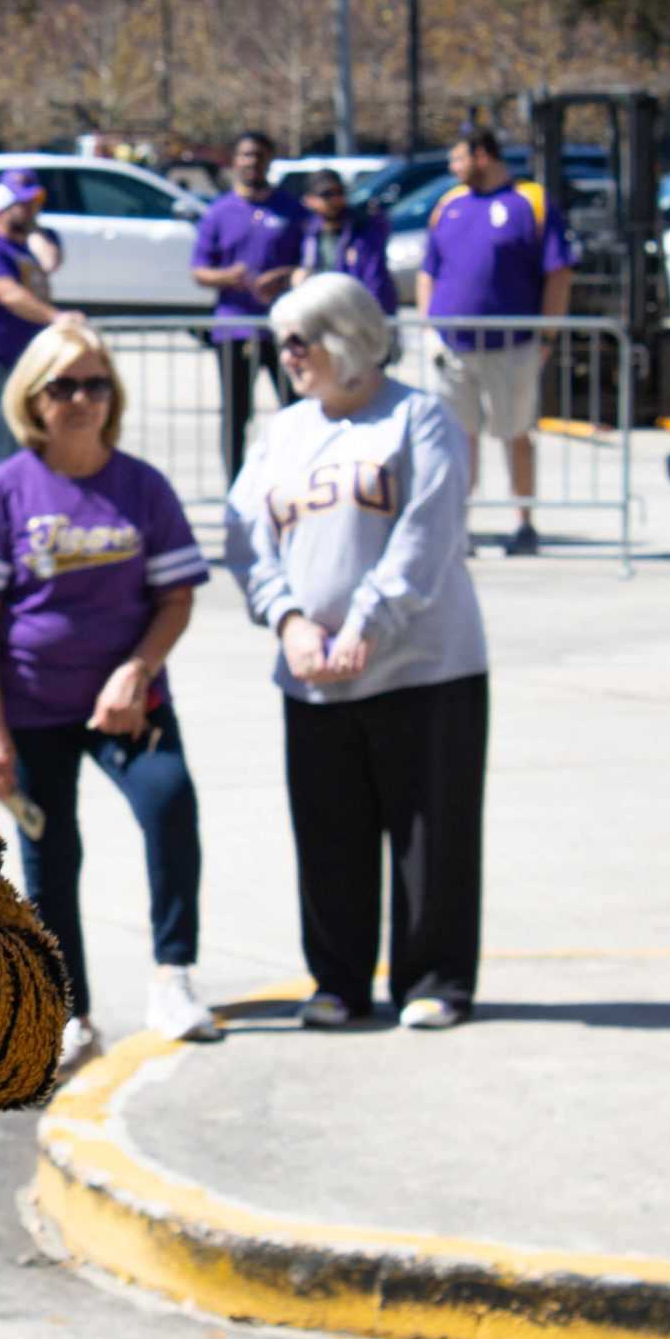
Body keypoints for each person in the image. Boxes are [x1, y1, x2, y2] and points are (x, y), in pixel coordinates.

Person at [224, 273, 487, 1032]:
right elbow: (247, 538)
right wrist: (291, 624)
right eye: (282, 343)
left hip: (423, 666)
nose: (290, 356)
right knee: (328, 830)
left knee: (428, 831)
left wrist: (366, 625)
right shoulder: (282, 432)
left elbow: (426, 537)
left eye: (301, 340)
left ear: (346, 336)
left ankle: (433, 979)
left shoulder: (419, 419)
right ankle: (337, 979)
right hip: (313, 673)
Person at [0, 320, 216, 1067]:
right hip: (32, 708)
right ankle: (72, 1011)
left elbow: (176, 598)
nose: (79, 399)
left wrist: (137, 670)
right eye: (61, 385)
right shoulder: (5, 490)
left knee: (169, 806)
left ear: (114, 396)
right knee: (50, 855)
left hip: (128, 707)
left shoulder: (142, 486)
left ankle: (173, 978)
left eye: (95, 384)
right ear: (32, 398)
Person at [417, 128, 573, 557]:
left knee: (515, 432)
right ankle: (459, 526)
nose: (452, 168)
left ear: (482, 155)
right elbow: (428, 269)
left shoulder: (530, 203)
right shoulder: (449, 204)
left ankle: (523, 523)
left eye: (458, 158)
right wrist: (429, 326)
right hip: (453, 348)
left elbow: (558, 273)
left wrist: (547, 334)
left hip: (512, 346)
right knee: (457, 438)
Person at [191, 131, 308, 483]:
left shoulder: (291, 210)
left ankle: (296, 480)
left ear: (270, 161)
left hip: (284, 329)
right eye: (245, 155)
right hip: (233, 329)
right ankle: (237, 489)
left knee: (297, 410)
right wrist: (228, 276)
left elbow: (312, 261)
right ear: (234, 160)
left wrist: (285, 276)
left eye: (259, 155)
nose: (252, 162)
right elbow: (199, 270)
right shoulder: (218, 212)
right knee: (236, 414)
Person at [0, 181, 69, 488]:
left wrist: (34, 231)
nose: (33, 209)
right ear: (2, 210)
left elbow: (50, 262)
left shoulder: (24, 246)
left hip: (22, 359)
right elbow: (7, 293)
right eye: (25, 204)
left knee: (23, 441)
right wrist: (56, 317)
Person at [295, 168, 398, 312]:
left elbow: (375, 281)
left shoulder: (364, 230)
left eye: (340, 192)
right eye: (327, 194)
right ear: (309, 200)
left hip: (358, 316)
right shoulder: (308, 234)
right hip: (323, 313)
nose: (335, 200)